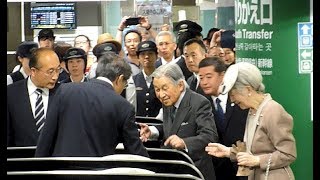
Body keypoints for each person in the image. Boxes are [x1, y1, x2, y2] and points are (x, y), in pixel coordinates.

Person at [35, 52, 149, 158]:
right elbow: (135, 150)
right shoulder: (124, 106)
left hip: (60, 171)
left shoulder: (63, 90)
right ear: (120, 79)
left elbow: (46, 137)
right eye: (125, 84)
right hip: (98, 174)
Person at [205, 62, 297, 180]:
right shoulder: (252, 111)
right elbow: (253, 151)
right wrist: (228, 152)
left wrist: (258, 161)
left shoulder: (273, 111)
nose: (232, 100)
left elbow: (288, 154)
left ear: (248, 89)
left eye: (233, 94)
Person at [139, 63, 219, 180]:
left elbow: (210, 136)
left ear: (180, 85)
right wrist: (153, 131)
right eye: (157, 89)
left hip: (194, 171)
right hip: (171, 169)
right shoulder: (169, 101)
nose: (161, 94)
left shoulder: (199, 103)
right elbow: (173, 127)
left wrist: (184, 142)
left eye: (165, 88)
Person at [199, 57, 248, 180]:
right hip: (215, 170)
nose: (204, 82)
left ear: (223, 76)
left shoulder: (240, 100)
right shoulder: (200, 102)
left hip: (242, 167)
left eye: (209, 77)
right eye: (201, 78)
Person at [7, 48, 61, 147]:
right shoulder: (10, 94)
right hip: (20, 159)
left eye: (58, 70)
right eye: (50, 71)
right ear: (33, 71)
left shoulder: (63, 93)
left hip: (55, 159)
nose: (55, 77)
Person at [125, 40, 162, 117]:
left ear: (156, 56)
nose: (146, 57)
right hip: (139, 123)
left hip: (158, 123)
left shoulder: (162, 78)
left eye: (150, 54)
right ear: (138, 58)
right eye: (143, 54)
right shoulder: (133, 80)